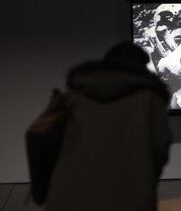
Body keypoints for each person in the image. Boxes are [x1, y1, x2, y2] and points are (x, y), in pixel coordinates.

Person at [45, 42, 172, 211]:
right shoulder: (150, 100)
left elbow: (43, 140)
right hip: (129, 199)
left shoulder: (71, 97)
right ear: (141, 68)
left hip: (67, 197)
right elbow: (160, 148)